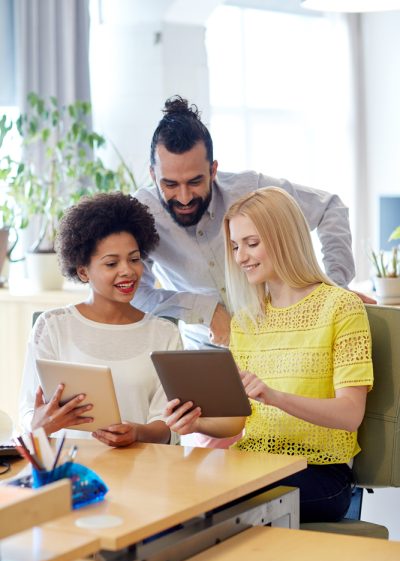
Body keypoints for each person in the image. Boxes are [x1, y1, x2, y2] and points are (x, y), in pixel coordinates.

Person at [165, 187, 373, 522]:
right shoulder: (247, 321)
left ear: (284, 238)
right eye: (235, 246)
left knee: (211, 503)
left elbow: (350, 415)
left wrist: (274, 396)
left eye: (251, 243)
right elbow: (237, 417)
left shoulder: (341, 307)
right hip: (254, 463)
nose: (240, 256)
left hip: (320, 473)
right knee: (175, 486)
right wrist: (195, 421)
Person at [134, 95, 374, 349]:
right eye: (170, 184)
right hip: (207, 350)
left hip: (277, 342)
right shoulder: (140, 213)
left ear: (213, 170)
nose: (183, 197)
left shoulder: (249, 191)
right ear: (152, 174)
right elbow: (136, 292)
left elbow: (329, 208)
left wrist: (335, 287)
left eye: (195, 182)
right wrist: (202, 309)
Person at [19, 192, 182, 447]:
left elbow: (170, 428)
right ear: (83, 271)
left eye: (134, 259)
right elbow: (29, 412)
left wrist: (137, 432)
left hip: (143, 473)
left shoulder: (163, 334)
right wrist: (41, 425)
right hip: (68, 471)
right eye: (111, 263)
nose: (127, 271)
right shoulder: (53, 327)